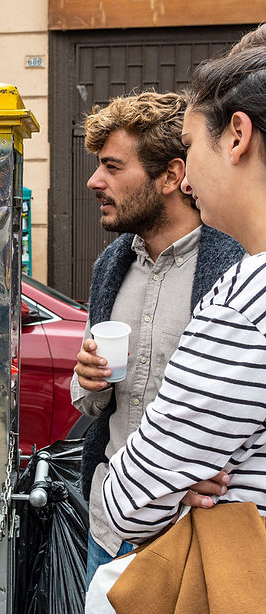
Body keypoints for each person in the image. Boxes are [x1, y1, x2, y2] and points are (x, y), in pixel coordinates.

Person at [70, 91, 244, 584]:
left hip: (198, 532)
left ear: (171, 176)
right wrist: (90, 381)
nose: (94, 181)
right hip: (109, 532)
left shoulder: (236, 267)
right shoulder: (112, 266)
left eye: (111, 166)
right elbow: (92, 403)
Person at [100, 32, 266, 544]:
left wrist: (166, 476)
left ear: (237, 136)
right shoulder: (112, 264)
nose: (190, 177)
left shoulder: (245, 298)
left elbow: (128, 503)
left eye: (191, 147)